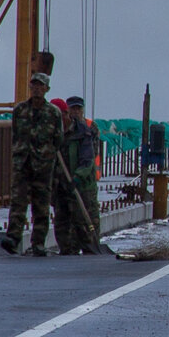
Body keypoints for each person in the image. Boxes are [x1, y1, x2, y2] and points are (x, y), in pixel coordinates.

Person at [3, 75, 63, 255]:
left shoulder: (53, 113)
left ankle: (38, 243)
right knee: (18, 202)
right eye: (34, 85)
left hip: (43, 166)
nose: (36, 88)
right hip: (22, 163)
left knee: (41, 205)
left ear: (46, 89)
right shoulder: (20, 110)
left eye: (40, 86)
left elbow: (58, 139)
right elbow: (15, 134)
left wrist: (46, 155)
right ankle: (13, 238)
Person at [56, 97, 103, 255]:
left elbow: (89, 157)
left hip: (84, 184)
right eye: (73, 109)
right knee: (65, 221)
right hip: (64, 184)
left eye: (78, 109)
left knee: (87, 219)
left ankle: (92, 247)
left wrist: (77, 176)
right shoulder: (57, 131)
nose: (75, 112)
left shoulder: (87, 129)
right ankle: (69, 250)